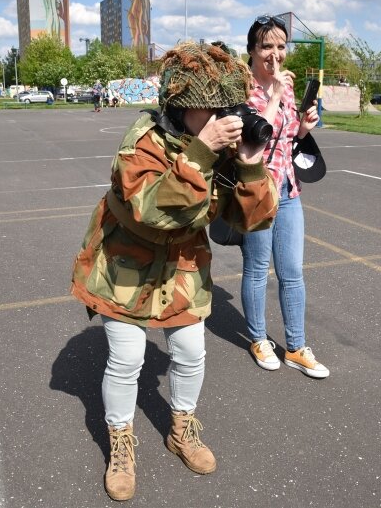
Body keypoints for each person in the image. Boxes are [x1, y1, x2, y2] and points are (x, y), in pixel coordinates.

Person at [70, 41, 278, 502]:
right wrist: (202, 153)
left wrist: (247, 166)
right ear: (181, 108)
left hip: (181, 266)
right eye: (213, 108)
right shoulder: (143, 141)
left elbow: (253, 221)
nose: (226, 119)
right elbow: (151, 210)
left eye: (230, 107)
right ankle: (120, 440)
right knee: (127, 360)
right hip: (124, 265)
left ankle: (181, 427)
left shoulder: (220, 146)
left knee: (190, 351)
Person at [240, 15, 330, 379]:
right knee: (258, 269)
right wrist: (274, 95)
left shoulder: (289, 87)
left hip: (289, 188)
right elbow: (253, 140)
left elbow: (289, 137)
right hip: (257, 190)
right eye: (266, 46)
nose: (275, 54)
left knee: (292, 272)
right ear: (252, 50)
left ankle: (295, 347)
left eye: (281, 46)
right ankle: (258, 338)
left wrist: (305, 125)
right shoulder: (242, 88)